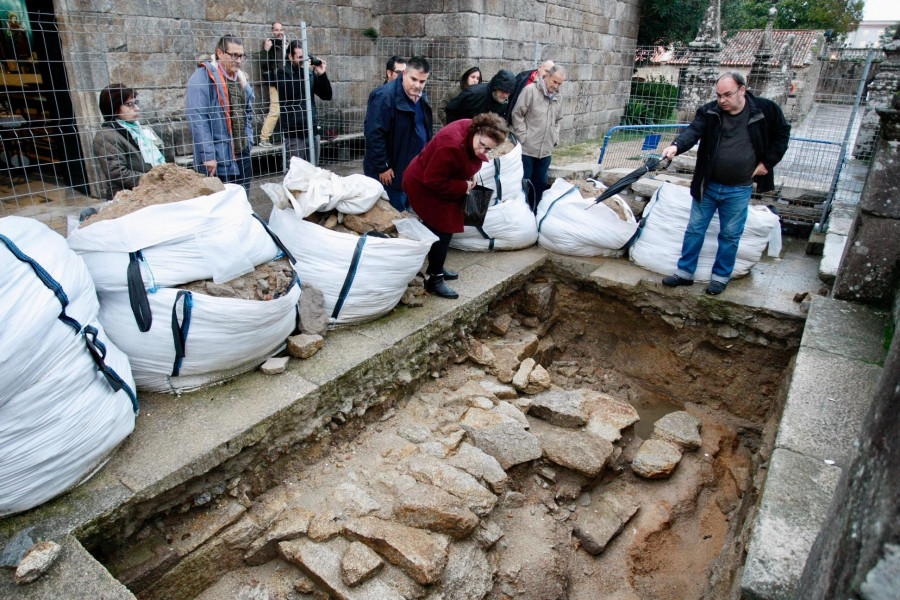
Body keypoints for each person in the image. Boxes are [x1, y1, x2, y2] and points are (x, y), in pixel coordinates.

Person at [660, 72, 790, 295]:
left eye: (727, 95)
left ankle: (720, 277)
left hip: (739, 188)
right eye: (719, 95)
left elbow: (782, 134)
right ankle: (684, 273)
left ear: (742, 90)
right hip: (707, 185)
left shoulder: (765, 110)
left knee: (730, 234)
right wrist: (676, 146)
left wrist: (767, 163)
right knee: (695, 229)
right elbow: (693, 131)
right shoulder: (710, 112)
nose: (722, 100)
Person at [403, 113, 509, 299]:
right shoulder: (450, 144)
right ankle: (434, 279)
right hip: (423, 185)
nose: (483, 151)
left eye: (488, 149)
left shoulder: (471, 131)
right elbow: (433, 180)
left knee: (444, 229)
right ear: (477, 130)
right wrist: (464, 186)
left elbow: (463, 161)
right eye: (481, 145)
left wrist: (470, 175)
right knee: (442, 229)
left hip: (440, 182)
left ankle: (437, 265)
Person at [364, 56, 433, 212]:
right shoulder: (384, 96)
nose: (417, 85)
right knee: (393, 214)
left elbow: (424, 128)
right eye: (413, 79)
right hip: (391, 171)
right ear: (403, 74)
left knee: (408, 212)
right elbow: (374, 134)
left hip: (412, 168)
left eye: (422, 82)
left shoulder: (422, 97)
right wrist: (382, 166)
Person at [186, 35, 255, 192]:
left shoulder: (240, 79)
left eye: (241, 56)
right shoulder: (203, 77)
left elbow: (247, 113)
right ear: (220, 53)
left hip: (241, 154)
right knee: (222, 208)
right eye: (234, 55)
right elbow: (197, 118)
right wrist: (208, 155)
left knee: (243, 202)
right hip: (218, 158)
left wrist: (248, 141)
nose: (238, 60)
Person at [92, 84, 165, 200]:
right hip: (128, 197)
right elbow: (117, 173)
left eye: (135, 103)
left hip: (149, 192)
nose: (137, 108)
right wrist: (154, 180)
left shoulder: (138, 130)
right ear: (114, 108)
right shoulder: (107, 136)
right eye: (129, 104)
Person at [511, 65, 566, 208]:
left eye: (560, 84)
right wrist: (523, 137)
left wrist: (555, 137)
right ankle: (521, 214)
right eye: (554, 82)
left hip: (546, 150)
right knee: (524, 185)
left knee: (540, 185)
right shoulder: (530, 91)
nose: (556, 86)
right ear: (547, 76)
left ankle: (535, 215)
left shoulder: (558, 97)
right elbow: (517, 114)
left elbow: (558, 120)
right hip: (528, 149)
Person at [273, 40, 332, 162]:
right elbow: (292, 93)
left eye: (304, 57)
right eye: (299, 57)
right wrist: (304, 72)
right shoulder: (282, 73)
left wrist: (322, 74)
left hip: (312, 128)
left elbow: (327, 95)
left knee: (313, 173)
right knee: (298, 174)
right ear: (290, 56)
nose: (303, 61)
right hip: (294, 132)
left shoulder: (309, 73)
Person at [444, 69, 517, 123]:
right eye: (502, 91)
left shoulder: (504, 102)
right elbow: (451, 109)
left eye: (508, 93)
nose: (505, 95)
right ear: (495, 87)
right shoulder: (474, 93)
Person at [258, 21, 286, 148]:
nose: (279, 33)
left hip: (287, 81)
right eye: (276, 30)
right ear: (272, 31)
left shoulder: (286, 44)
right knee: (275, 109)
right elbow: (263, 65)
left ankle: (288, 135)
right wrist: (266, 50)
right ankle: (264, 138)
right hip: (275, 82)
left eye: (281, 30)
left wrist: (287, 50)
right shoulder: (269, 45)